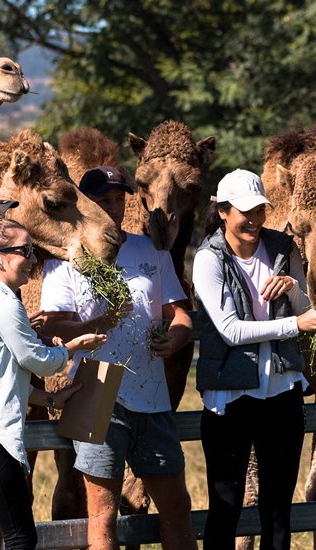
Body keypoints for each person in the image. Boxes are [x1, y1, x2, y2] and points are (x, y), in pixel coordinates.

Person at [37, 166, 197, 550]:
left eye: (118, 199)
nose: (113, 207)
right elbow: (50, 328)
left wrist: (175, 338)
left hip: (152, 394)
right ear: (88, 205)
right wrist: (100, 322)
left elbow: (180, 314)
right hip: (96, 389)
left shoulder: (151, 251)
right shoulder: (67, 259)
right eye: (103, 200)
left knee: (176, 505)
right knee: (103, 514)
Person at [0, 202, 107, 550]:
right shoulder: (5, 304)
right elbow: (39, 361)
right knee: (20, 538)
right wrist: (72, 347)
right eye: (25, 251)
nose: (33, 258)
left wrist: (48, 399)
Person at [191, 168, 316, 550]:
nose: (253, 219)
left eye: (259, 210)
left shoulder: (284, 249)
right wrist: (292, 324)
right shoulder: (208, 259)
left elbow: (311, 312)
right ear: (223, 212)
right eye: (244, 211)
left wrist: (295, 288)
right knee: (226, 507)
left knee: (279, 510)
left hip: (282, 393)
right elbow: (230, 331)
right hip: (230, 399)